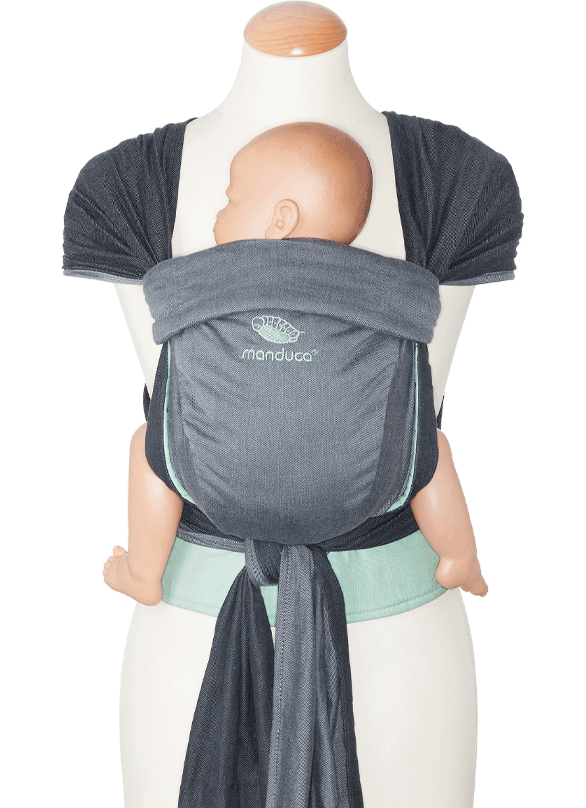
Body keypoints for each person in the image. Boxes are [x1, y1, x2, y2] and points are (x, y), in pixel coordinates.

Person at [102, 121, 488, 605]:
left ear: (281, 219)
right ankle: (457, 554)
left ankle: (144, 570)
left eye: (231, 200)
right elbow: (421, 311)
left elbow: (162, 296)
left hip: (210, 487)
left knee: (146, 446)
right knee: (431, 447)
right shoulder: (391, 286)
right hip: (370, 491)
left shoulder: (200, 277)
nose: (218, 215)